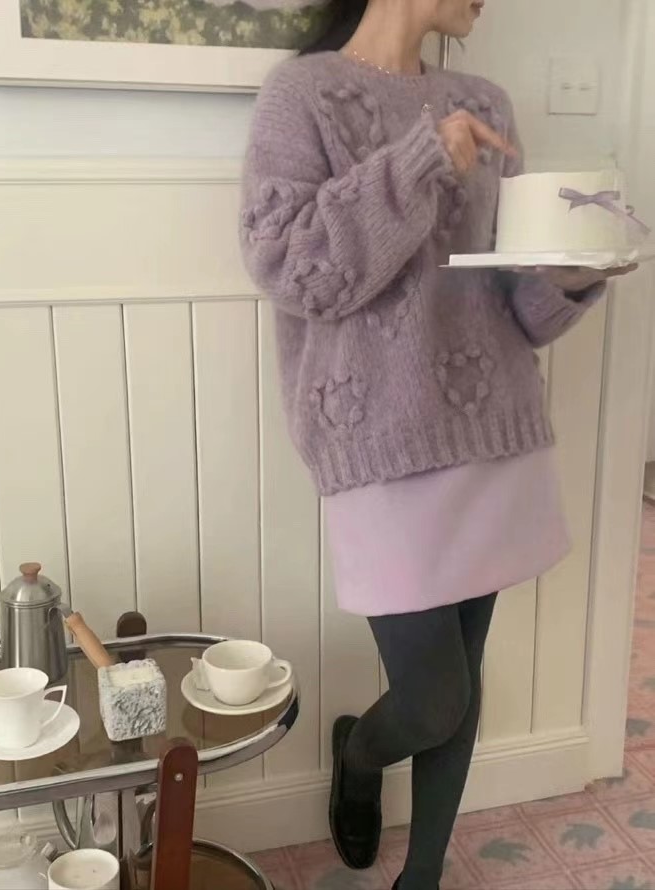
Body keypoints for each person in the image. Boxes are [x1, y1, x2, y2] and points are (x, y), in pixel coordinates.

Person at [240, 1, 637, 887]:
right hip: (373, 443)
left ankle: (421, 877)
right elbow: (293, 269)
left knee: (462, 681)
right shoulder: (298, 96)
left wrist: (572, 276)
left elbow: (515, 312)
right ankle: (358, 754)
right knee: (434, 698)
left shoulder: (486, 101)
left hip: (492, 433)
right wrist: (420, 158)